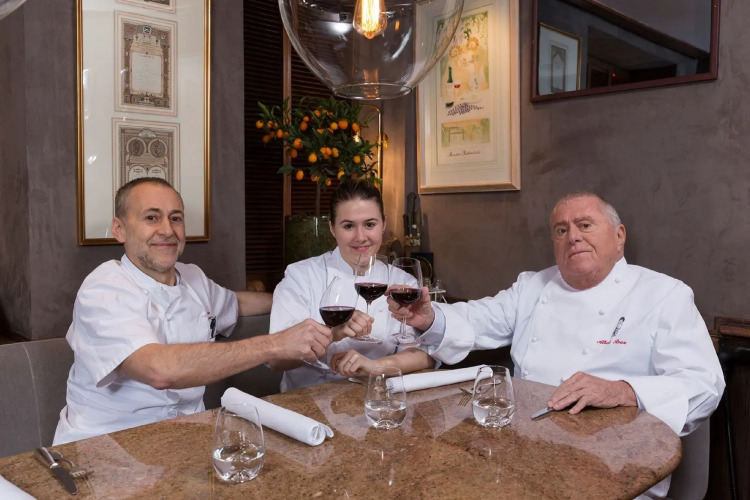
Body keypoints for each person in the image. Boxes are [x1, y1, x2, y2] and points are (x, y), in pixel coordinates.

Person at [388, 191, 724, 497]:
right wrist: (429, 318)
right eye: (561, 230)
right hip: (524, 455)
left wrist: (624, 391)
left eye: (585, 225)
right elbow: (479, 318)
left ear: (619, 236)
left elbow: (704, 383)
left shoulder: (664, 295)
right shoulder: (533, 286)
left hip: (617, 469)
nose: (573, 236)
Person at [54, 178, 332, 444]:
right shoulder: (104, 288)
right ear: (119, 229)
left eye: (175, 218)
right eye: (152, 217)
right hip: (108, 443)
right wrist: (275, 345)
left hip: (186, 436)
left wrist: (305, 301)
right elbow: (160, 370)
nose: (167, 230)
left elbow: (238, 303)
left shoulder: (192, 277)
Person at [269, 179, 470, 391]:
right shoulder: (301, 276)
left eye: (370, 224)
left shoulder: (403, 282)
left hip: (379, 396)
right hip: (308, 400)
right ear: (332, 228)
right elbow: (277, 360)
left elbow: (426, 355)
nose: (361, 237)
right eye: (348, 226)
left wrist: (375, 366)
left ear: (383, 224)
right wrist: (332, 334)